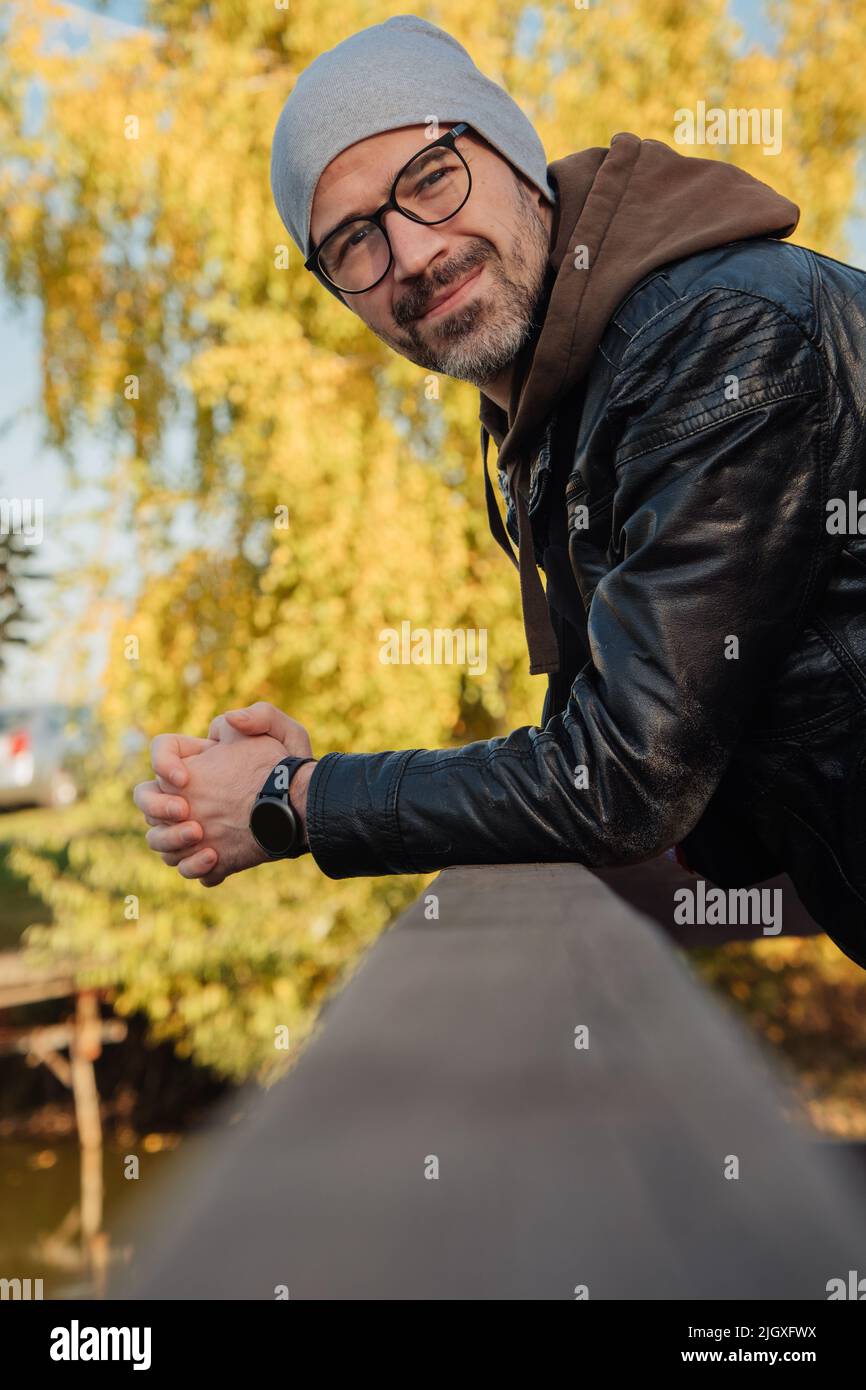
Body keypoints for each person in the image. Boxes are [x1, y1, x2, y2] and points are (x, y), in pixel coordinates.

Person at [134, 15, 866, 969]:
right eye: (354, 241)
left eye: (432, 178)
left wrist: (294, 800)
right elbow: (632, 779)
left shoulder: (709, 346)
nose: (413, 253)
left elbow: (624, 784)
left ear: (517, 158)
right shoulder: (555, 416)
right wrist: (298, 776)